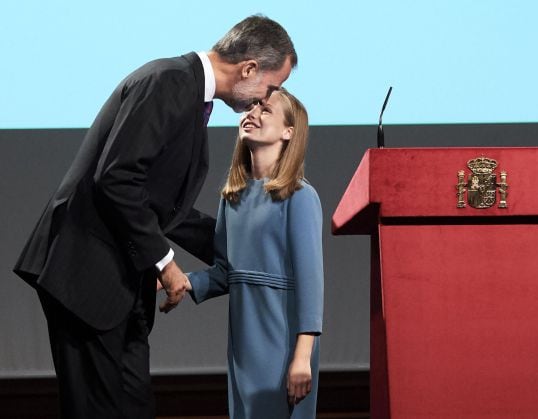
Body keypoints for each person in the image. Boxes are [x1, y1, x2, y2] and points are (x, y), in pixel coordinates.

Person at [12, 15, 297, 418]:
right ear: (249, 68)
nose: (264, 100)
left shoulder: (188, 92)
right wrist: (164, 263)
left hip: (117, 284)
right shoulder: (168, 81)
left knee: (134, 407)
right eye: (271, 88)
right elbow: (116, 179)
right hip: (84, 277)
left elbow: (161, 207)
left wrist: (240, 245)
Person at [185, 87, 324, 418]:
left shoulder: (299, 196)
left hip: (283, 340)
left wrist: (302, 357)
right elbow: (224, 272)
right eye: (250, 107)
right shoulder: (232, 197)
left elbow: (311, 284)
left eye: (266, 110)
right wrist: (178, 281)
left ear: (289, 132)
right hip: (243, 343)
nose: (252, 114)